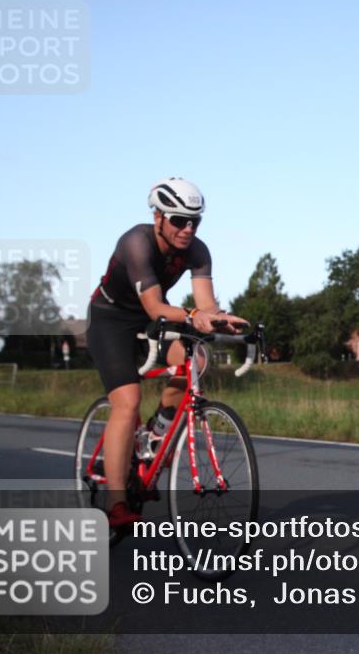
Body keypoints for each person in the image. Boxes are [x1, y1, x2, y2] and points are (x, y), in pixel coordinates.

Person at [86, 177, 247, 528]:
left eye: (195, 221)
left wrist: (221, 321)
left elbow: (205, 305)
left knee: (196, 359)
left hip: (151, 321)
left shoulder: (198, 250)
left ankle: (157, 432)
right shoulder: (135, 242)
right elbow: (155, 304)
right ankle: (116, 504)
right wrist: (194, 315)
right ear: (158, 217)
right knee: (127, 403)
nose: (187, 229)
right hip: (112, 321)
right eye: (178, 220)